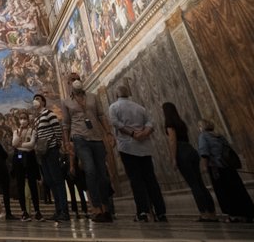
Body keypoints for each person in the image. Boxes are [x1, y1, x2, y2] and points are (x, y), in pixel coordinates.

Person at [108, 85, 166, 222]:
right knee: (151, 179)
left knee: (136, 180)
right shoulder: (139, 107)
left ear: (116, 95)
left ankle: (143, 212)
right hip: (144, 146)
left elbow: (116, 123)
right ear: (128, 94)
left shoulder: (114, 107)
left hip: (127, 147)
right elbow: (150, 123)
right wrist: (144, 133)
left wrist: (133, 133)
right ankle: (161, 212)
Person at [60, 75, 113, 222]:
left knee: (102, 173)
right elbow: (65, 123)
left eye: (77, 78)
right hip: (79, 137)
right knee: (90, 170)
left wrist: (108, 133)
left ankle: (105, 207)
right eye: (72, 79)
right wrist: (67, 143)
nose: (76, 80)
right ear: (69, 84)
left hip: (96, 136)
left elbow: (101, 115)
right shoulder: (66, 102)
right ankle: (96, 208)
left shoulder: (92, 97)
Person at [161, 102, 217, 222]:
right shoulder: (181, 123)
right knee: (200, 183)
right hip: (191, 150)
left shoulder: (169, 124)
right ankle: (212, 212)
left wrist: (173, 158)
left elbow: (172, 141)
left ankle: (204, 213)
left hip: (181, 152)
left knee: (194, 185)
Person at [197, 119, 254, 223]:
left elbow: (204, 152)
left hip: (217, 167)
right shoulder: (219, 135)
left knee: (225, 192)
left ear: (201, 127)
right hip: (228, 166)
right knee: (237, 190)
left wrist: (204, 167)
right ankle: (247, 214)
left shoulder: (203, 136)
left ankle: (233, 215)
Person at [33, 94, 69, 222]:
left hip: (52, 149)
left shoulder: (49, 113)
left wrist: (58, 143)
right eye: (34, 99)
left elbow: (57, 129)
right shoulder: (36, 118)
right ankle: (58, 209)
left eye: (38, 99)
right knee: (49, 180)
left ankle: (64, 210)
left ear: (43, 101)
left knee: (57, 179)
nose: (35, 101)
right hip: (42, 152)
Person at [12, 110, 43, 221]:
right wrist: (19, 136)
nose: (23, 120)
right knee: (20, 185)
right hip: (19, 157)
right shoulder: (16, 131)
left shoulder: (33, 131)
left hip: (30, 157)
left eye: (24, 118)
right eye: (21, 118)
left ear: (28, 120)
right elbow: (14, 143)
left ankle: (37, 211)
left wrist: (21, 144)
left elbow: (31, 145)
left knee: (32, 184)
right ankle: (24, 211)